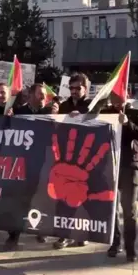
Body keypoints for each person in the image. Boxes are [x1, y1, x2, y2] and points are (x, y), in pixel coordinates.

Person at [7, 84, 57, 248]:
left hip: (44, 162)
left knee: (41, 198)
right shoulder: (20, 112)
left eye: (45, 95)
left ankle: (40, 230)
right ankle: (14, 234)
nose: (44, 98)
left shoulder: (50, 112)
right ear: (31, 96)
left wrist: (59, 116)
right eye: (40, 94)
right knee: (19, 199)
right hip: (23, 162)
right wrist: (8, 119)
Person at [106, 100, 138, 262]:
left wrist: (127, 123)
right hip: (110, 164)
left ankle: (130, 248)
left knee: (129, 209)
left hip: (129, 164)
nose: (116, 98)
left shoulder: (137, 113)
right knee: (111, 208)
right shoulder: (106, 112)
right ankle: (115, 243)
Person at [53, 73, 91, 250]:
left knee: (82, 198)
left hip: (85, 158)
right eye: (72, 88)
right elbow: (56, 129)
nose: (74, 91)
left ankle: (81, 234)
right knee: (63, 198)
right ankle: (64, 235)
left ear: (86, 88)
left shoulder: (93, 105)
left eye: (78, 88)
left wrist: (83, 118)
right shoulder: (63, 105)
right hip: (65, 158)